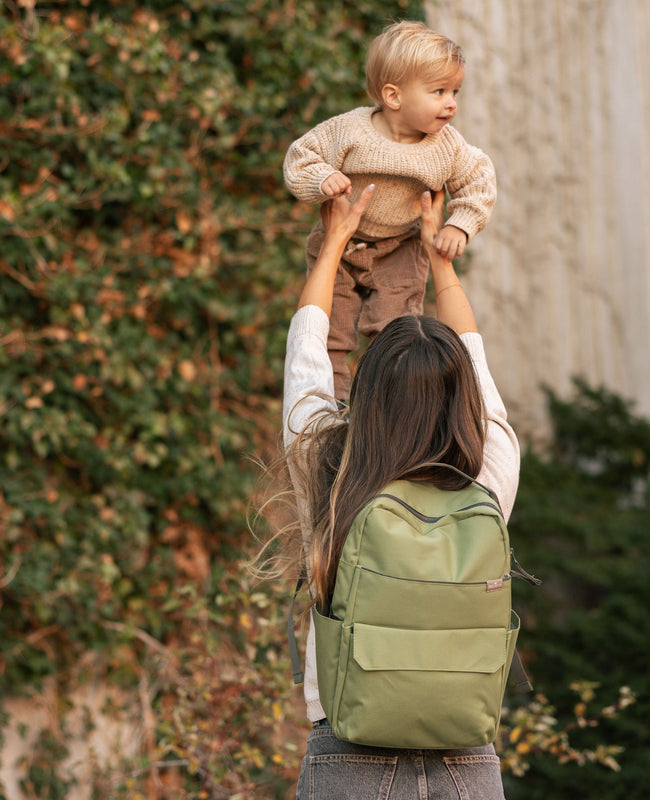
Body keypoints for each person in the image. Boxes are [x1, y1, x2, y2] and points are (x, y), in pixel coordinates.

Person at [252, 184, 519, 799]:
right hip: (467, 762)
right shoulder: (490, 474)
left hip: (350, 755)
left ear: (368, 398)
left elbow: (307, 363)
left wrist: (333, 248)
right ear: (465, 404)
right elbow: (476, 364)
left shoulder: (332, 474)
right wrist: (441, 263)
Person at [283, 20, 497, 400]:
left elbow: (478, 180)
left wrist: (459, 226)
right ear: (394, 96)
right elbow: (300, 157)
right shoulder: (348, 132)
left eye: (455, 91)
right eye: (439, 91)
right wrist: (322, 179)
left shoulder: (447, 146)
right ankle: (332, 407)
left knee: (397, 333)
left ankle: (387, 407)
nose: (452, 102)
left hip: (401, 247)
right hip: (342, 247)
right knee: (330, 332)